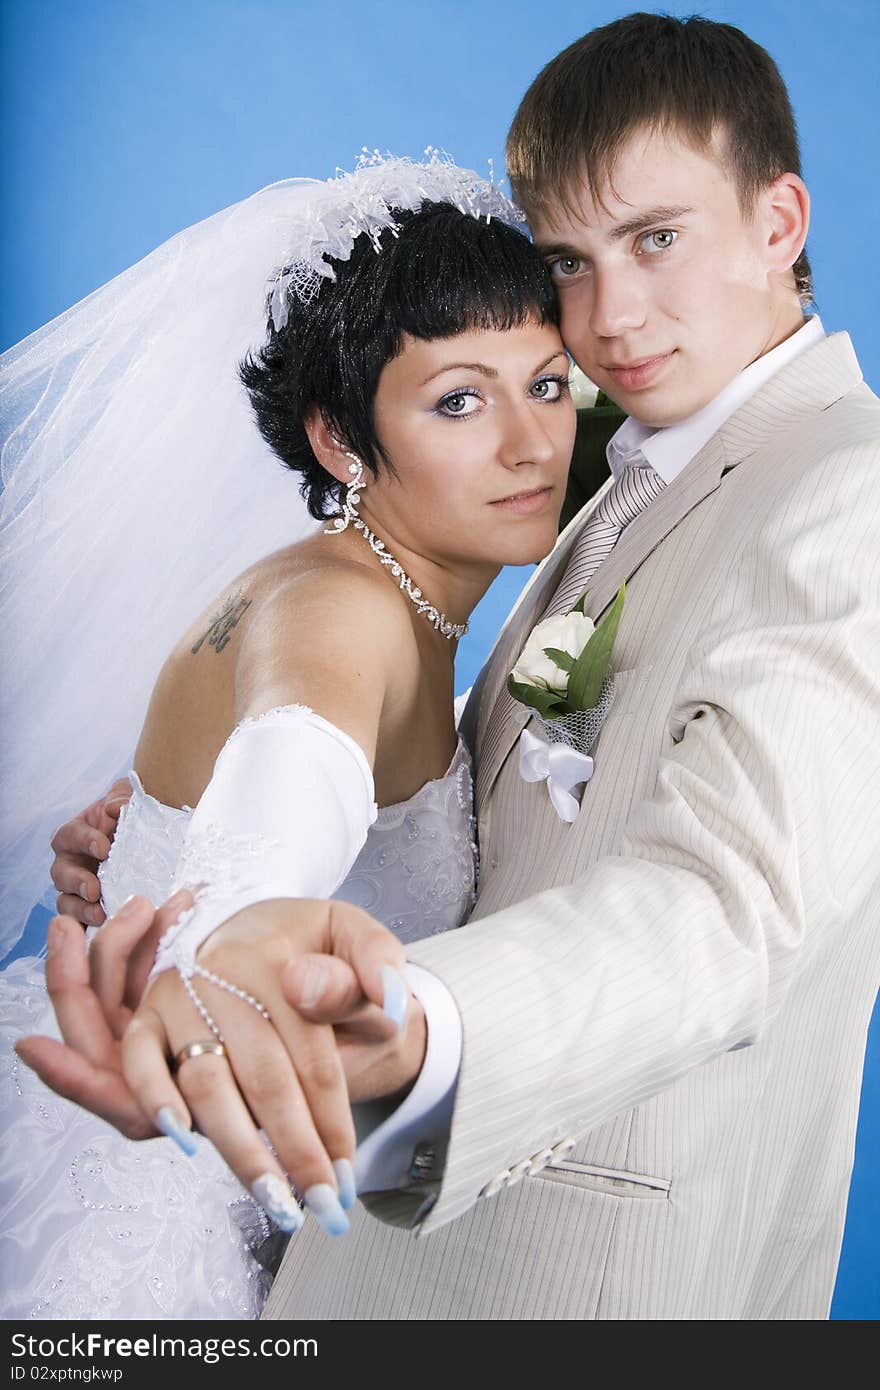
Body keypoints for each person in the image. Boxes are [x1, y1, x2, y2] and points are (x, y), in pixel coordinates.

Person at [26, 12, 880, 1319]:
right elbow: (308, 787)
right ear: (340, 437)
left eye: (658, 239)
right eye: (573, 266)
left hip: (567, 1246)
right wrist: (204, 895)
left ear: (780, 221)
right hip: (290, 1231)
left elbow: (723, 902)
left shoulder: (841, 488)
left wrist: (417, 1026)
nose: (612, 320)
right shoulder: (406, 584)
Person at [0, 157, 582, 1318]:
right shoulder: (343, 609)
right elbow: (291, 766)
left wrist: (130, 859)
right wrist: (244, 909)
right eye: (459, 401)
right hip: (148, 1222)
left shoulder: (382, 581)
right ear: (338, 438)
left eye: (550, 383)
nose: (531, 444)